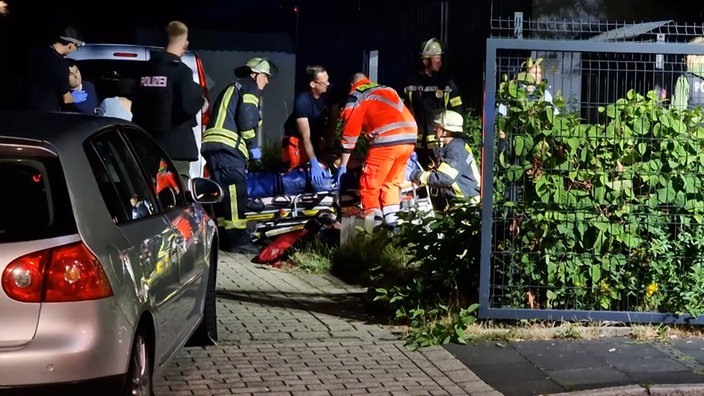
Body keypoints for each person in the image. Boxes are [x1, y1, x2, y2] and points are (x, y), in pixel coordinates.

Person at [201, 57, 277, 254]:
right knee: (236, 194)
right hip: (228, 149)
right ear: (256, 74)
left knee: (223, 196)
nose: (267, 82)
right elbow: (246, 121)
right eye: (266, 77)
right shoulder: (250, 87)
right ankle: (238, 240)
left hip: (214, 147)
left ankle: (224, 237)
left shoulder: (233, 87)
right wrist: (254, 150)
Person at [336, 72, 417, 230]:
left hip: (387, 141)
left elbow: (350, 134)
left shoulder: (357, 95)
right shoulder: (386, 89)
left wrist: (343, 165)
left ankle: (374, 231)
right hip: (409, 138)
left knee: (369, 186)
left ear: (351, 85)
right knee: (391, 183)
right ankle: (394, 227)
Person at [131, 20, 205, 178]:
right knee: (176, 193)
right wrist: (199, 96)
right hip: (176, 147)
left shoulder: (144, 70)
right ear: (185, 44)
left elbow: (136, 106)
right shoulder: (181, 71)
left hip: (145, 143)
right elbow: (186, 108)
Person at [403, 37, 463, 168]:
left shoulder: (446, 83)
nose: (439, 61)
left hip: (439, 143)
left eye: (440, 57)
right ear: (426, 60)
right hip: (415, 144)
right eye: (436, 58)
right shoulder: (411, 83)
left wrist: (452, 135)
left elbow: (458, 111)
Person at [282, 65, 339, 186]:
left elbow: (333, 119)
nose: (328, 84)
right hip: (297, 139)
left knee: (326, 164)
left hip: (316, 135)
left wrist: (328, 144)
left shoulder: (330, 92)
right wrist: (313, 162)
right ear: (313, 84)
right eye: (324, 83)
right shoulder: (302, 102)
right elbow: (305, 137)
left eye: (328, 80)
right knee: (297, 175)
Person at [409, 110, 480, 207]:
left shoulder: (456, 149)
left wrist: (415, 175)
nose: (434, 129)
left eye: (438, 126)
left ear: (446, 131)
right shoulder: (454, 146)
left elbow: (444, 178)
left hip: (465, 203)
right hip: (459, 201)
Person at [21, 26, 87, 112]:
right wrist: (74, 97)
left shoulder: (35, 52)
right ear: (71, 45)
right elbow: (66, 99)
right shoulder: (61, 65)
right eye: (76, 47)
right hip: (47, 114)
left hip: (24, 109)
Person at [672, 37, 704, 111]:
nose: (684, 60)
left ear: (697, 56)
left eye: (687, 55)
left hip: (692, 122)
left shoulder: (685, 79)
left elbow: (678, 112)